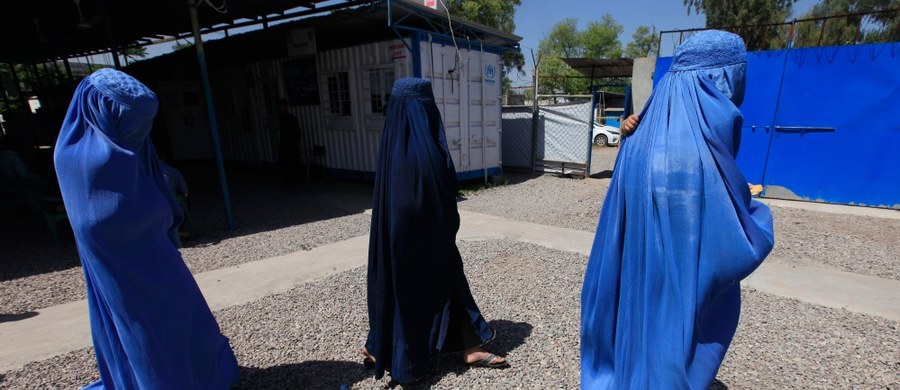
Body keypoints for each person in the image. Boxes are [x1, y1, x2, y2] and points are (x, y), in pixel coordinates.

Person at [580, 30, 775, 389]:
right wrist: (756, 213)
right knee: (672, 333)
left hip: (636, 276)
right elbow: (734, 246)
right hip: (675, 283)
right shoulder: (700, 150)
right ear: (720, 81)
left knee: (637, 323)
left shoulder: (641, 135)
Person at [54, 68, 239, 389]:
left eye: (147, 123)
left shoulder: (134, 144)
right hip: (120, 265)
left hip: (159, 253)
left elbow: (159, 197)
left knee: (184, 316)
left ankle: (198, 373)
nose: (142, 130)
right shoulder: (75, 157)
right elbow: (97, 222)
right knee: (143, 327)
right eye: (135, 121)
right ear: (103, 111)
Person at [363, 78, 508, 384]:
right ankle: (404, 359)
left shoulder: (393, 144)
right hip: (422, 239)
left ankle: (380, 347)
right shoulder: (425, 149)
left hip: (400, 239)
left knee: (404, 284)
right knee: (427, 284)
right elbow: (439, 196)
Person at [277, 99, 302, 188]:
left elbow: (298, 133)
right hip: (286, 145)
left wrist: (293, 143)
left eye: (282, 107)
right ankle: (288, 180)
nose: (281, 109)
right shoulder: (281, 119)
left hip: (291, 145)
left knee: (292, 163)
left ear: (285, 107)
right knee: (286, 164)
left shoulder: (292, 119)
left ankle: (293, 180)